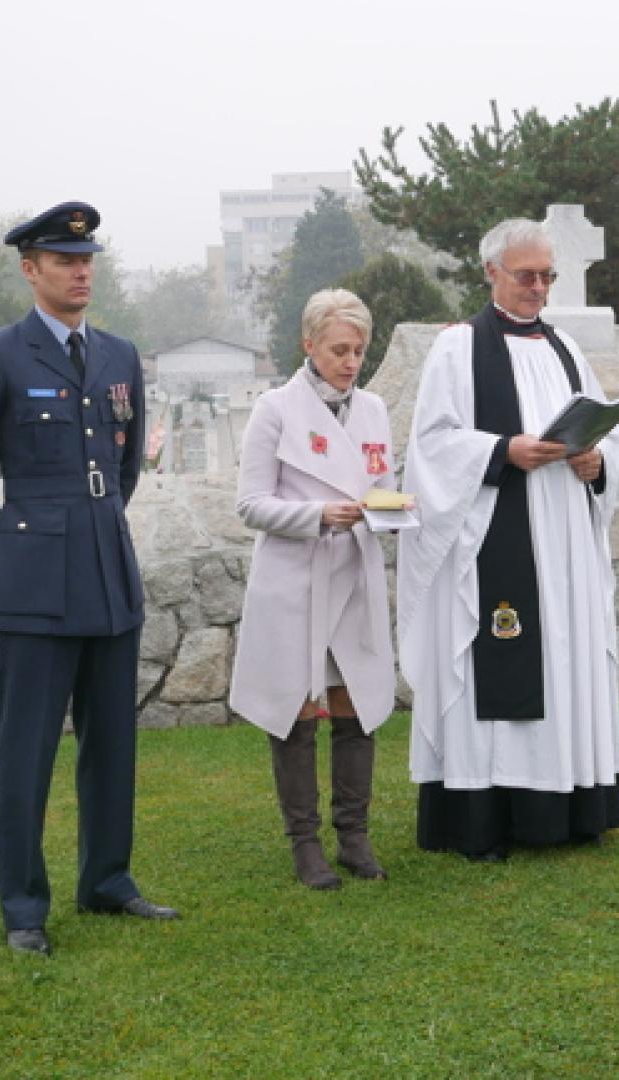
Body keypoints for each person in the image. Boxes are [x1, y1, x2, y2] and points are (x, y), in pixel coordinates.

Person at [0, 201, 177, 956]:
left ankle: (108, 879)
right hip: (35, 585)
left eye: (87, 259)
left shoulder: (118, 355)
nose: (81, 271)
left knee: (112, 743)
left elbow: (126, 462)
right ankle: (23, 908)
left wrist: (91, 527)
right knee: (28, 751)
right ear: (29, 268)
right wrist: (10, 550)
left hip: (108, 572)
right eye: (64, 260)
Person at [397, 218, 619, 862]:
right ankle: (484, 818)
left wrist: (596, 462)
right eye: (526, 275)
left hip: (564, 543)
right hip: (494, 535)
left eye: (546, 276)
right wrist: (504, 449)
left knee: (563, 659)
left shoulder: (565, 351)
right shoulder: (458, 348)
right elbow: (432, 446)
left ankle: (567, 807)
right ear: (492, 273)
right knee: (499, 660)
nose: (538, 288)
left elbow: (604, 427)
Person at [230, 289, 402, 889]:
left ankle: (354, 836)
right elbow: (249, 504)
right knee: (297, 709)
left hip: (353, 573)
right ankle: (305, 844)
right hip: (295, 579)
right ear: (309, 345)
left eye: (359, 350)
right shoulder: (275, 409)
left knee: (357, 705)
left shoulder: (375, 409)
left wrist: (391, 508)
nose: (350, 361)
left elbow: (382, 483)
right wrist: (318, 516)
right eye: (338, 350)